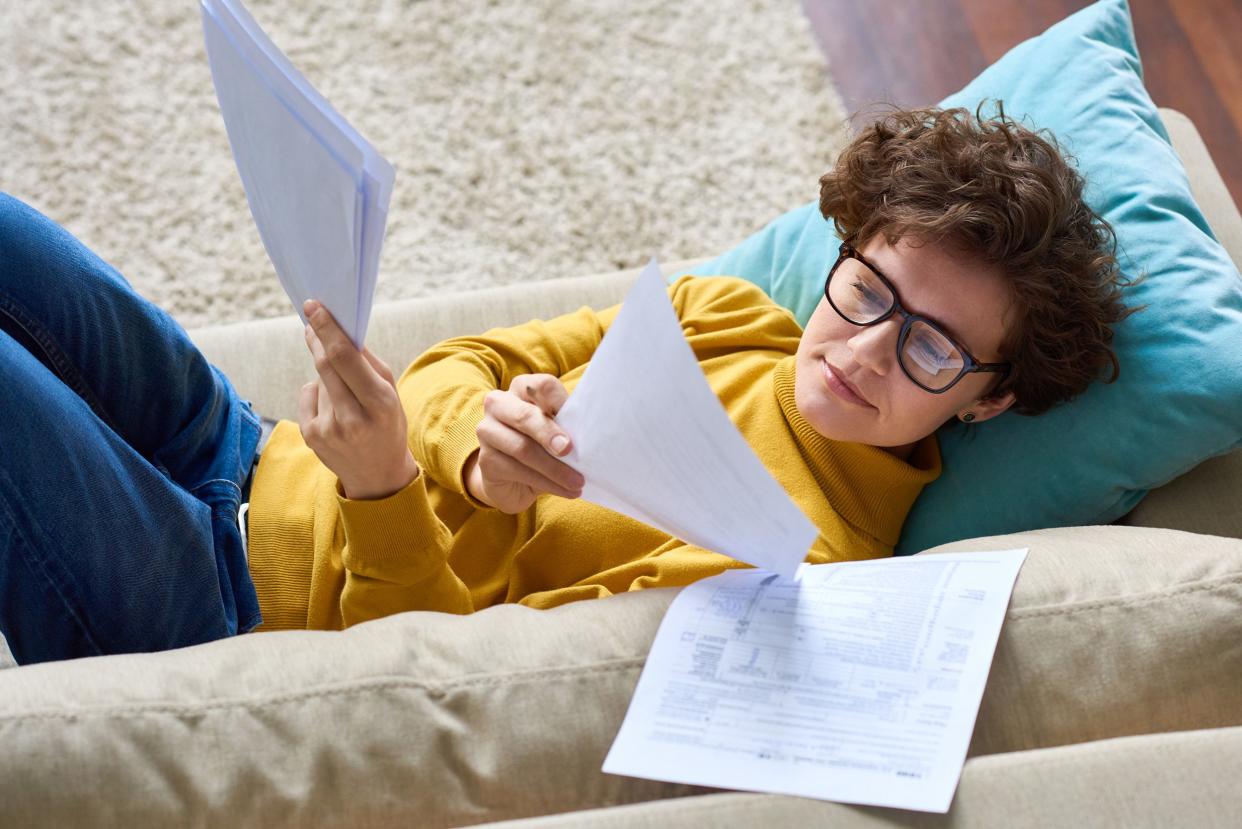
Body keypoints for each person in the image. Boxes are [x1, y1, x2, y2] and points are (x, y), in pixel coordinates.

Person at [0, 104, 1134, 664]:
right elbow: (468, 365)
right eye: (868, 289)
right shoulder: (737, 316)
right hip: (241, 445)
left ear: (989, 397)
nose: (865, 349)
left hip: (226, 603)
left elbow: (439, 685)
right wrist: (460, 445)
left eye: (932, 348)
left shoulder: (799, 565)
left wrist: (401, 487)